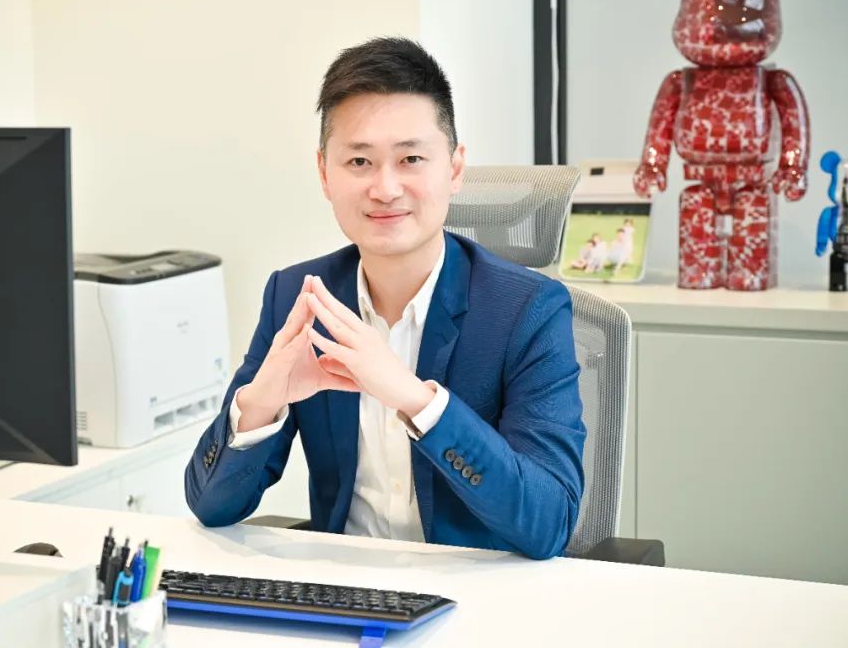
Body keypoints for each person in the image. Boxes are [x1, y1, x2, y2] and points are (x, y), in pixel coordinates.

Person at [183, 37, 585, 560]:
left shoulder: (528, 310)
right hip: (346, 589)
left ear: (454, 169)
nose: (385, 188)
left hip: (479, 589)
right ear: (324, 173)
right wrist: (262, 402)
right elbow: (211, 506)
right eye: (359, 161)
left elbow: (549, 522)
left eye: (411, 158)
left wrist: (416, 401)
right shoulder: (300, 298)